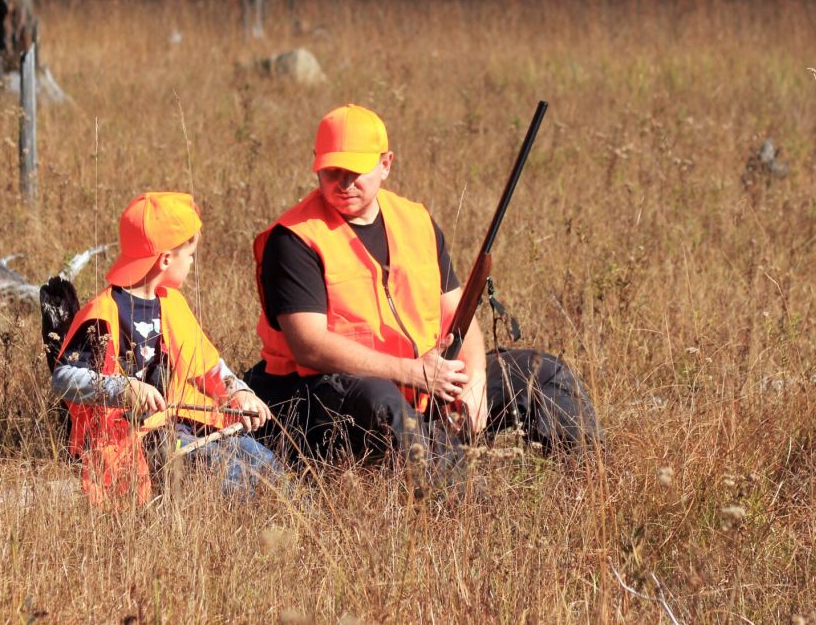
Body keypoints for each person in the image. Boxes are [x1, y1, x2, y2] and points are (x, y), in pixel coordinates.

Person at [243, 104, 601, 475]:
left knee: (541, 372)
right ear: (316, 164)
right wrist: (413, 373)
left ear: (386, 164)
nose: (344, 183)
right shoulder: (294, 238)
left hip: (424, 384)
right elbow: (310, 345)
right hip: (331, 395)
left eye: (355, 170)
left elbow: (459, 315)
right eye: (332, 171)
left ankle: (592, 482)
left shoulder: (415, 221)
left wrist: (473, 383)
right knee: (382, 400)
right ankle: (467, 515)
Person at [53, 191, 284, 503]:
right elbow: (63, 378)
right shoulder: (102, 313)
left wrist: (239, 392)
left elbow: (208, 366)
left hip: (185, 425)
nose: (191, 263)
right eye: (190, 256)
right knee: (231, 478)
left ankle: (301, 525)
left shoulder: (171, 302)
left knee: (265, 463)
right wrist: (123, 388)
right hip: (137, 440)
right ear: (165, 259)